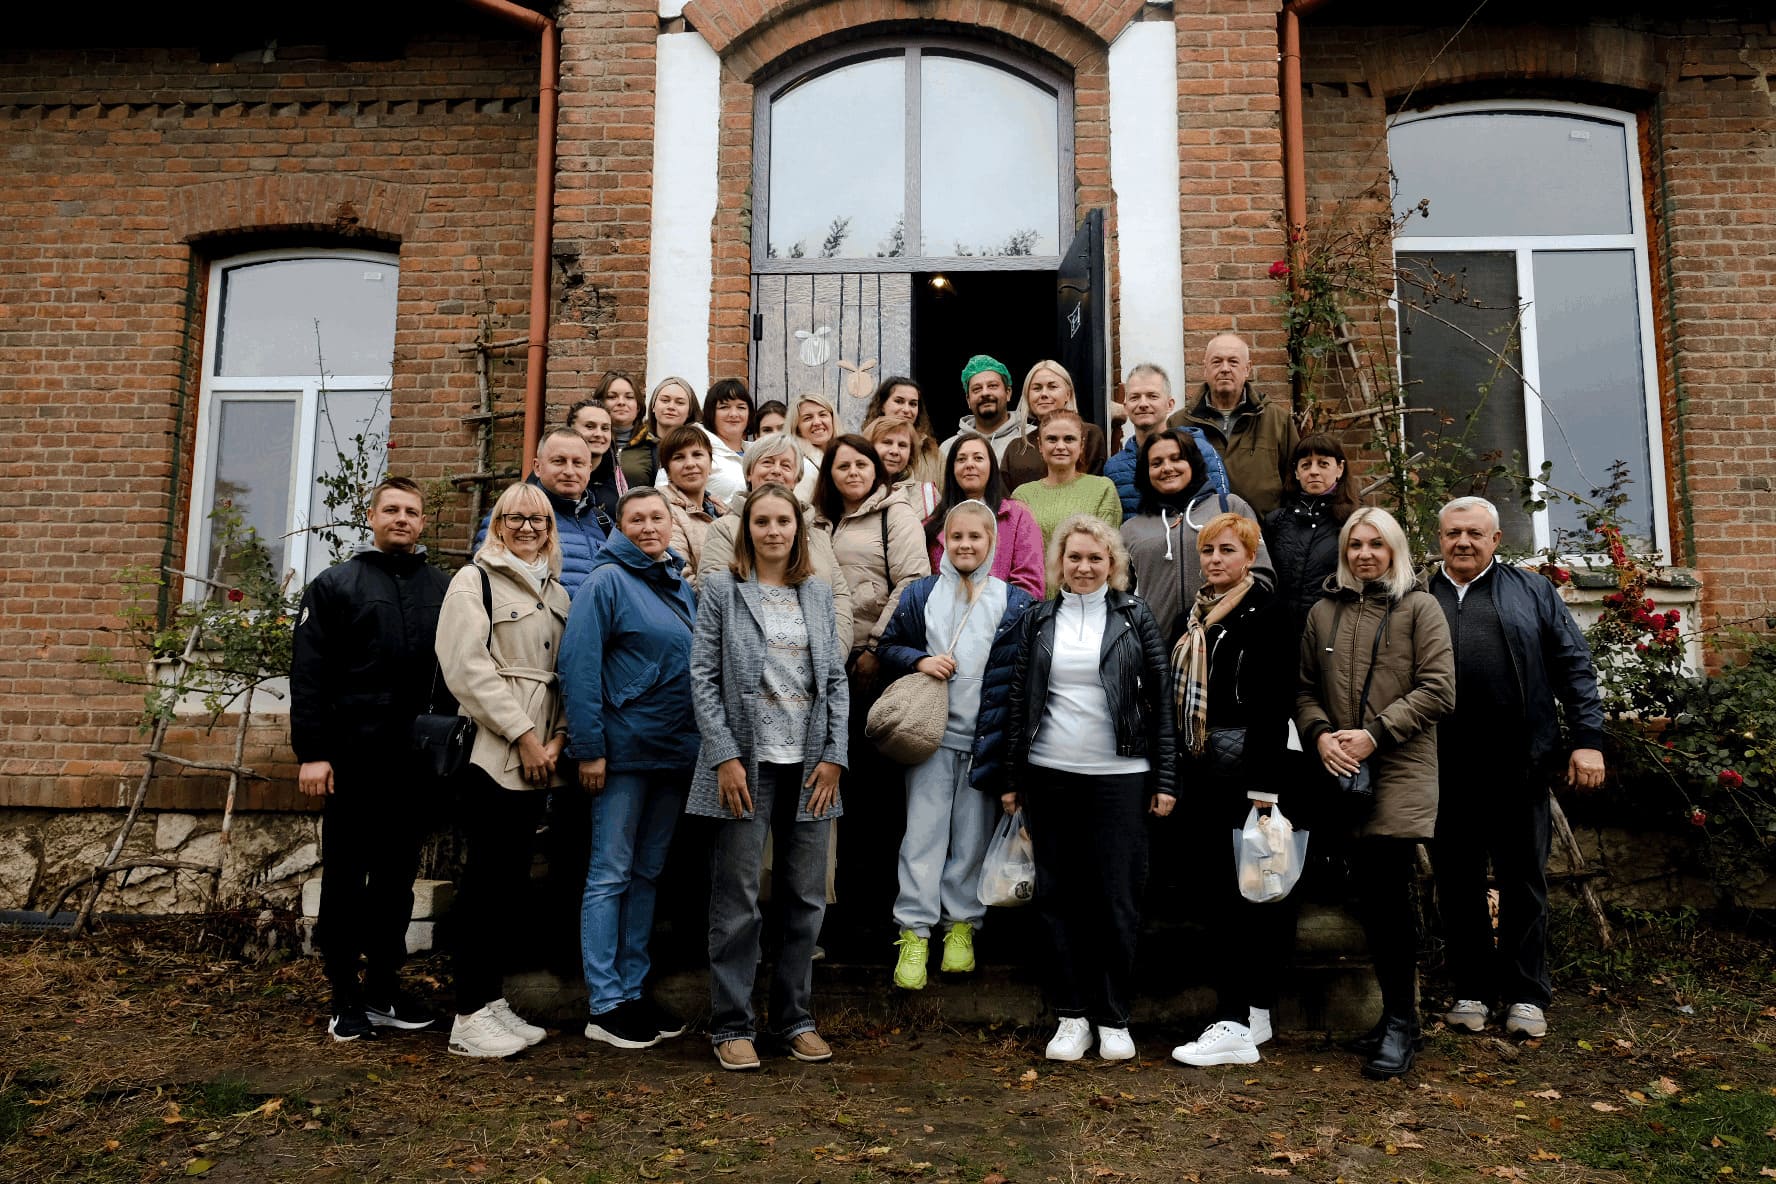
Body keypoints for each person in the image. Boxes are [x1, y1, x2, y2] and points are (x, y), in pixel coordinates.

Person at [1427, 496, 1606, 1041]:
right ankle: (1471, 991)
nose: (1464, 542)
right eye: (1454, 532)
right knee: (1456, 883)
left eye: (1475, 533)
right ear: (1439, 539)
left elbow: (1574, 665)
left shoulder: (1533, 591)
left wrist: (1588, 741)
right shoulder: (1417, 595)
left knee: (1523, 881)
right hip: (1441, 768)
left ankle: (1527, 995)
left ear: (1496, 540)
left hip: (1519, 764)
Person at [689, 484, 849, 1071]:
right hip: (746, 767)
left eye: (784, 521)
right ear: (746, 528)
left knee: (805, 899)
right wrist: (724, 755)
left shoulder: (816, 592)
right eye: (762, 521)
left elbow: (835, 680)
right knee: (737, 900)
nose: (774, 531)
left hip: (811, 767)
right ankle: (732, 1024)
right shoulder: (724, 592)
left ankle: (794, 1019)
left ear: (798, 530)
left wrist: (835, 755)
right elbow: (703, 677)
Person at [1004, 514, 1176, 1062]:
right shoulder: (1038, 619)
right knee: (1058, 897)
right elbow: (1017, 702)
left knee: (1116, 899)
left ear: (1113, 565)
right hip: (1050, 773)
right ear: (1060, 563)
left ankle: (1114, 1016)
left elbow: (1162, 705)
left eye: (1095, 559)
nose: (1083, 567)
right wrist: (1012, 778)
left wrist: (1165, 778)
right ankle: (1072, 1015)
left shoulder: (1135, 617)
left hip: (1120, 778)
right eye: (1074, 558)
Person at [1297, 507, 1455, 1080]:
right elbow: (1306, 690)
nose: (1365, 554)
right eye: (1355, 545)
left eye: (1376, 545)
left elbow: (1439, 691)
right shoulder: (1323, 612)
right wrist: (1320, 738)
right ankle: (1394, 1015)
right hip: (1340, 771)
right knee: (1368, 897)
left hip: (1398, 769)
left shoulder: (1421, 608)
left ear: (1394, 551)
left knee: (1389, 900)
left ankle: (1402, 1024)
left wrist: (1373, 734)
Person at [291, 476, 450, 1042]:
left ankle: (384, 986)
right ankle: (344, 993)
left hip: (411, 763)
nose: (402, 518)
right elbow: (308, 677)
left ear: (423, 522)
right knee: (346, 878)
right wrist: (313, 754)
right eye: (392, 510)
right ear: (372, 517)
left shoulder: (443, 587)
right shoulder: (335, 585)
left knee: (396, 880)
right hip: (352, 758)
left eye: (412, 511)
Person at [560, 487, 700, 1051]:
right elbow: (579, 666)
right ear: (620, 526)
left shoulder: (678, 585)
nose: (648, 526)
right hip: (621, 754)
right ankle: (606, 1002)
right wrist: (589, 748)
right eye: (636, 518)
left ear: (671, 523)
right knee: (610, 873)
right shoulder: (605, 582)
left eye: (657, 517)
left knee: (646, 874)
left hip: (672, 751)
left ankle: (634, 989)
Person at [876, 501, 1037, 990]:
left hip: (984, 741)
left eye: (977, 537)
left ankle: (962, 926)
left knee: (970, 840)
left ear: (993, 543)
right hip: (931, 738)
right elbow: (887, 646)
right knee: (922, 836)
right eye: (957, 536)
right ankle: (915, 931)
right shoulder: (921, 593)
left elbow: (1023, 678)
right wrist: (920, 660)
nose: (966, 545)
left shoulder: (1014, 603)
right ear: (943, 541)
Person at [434, 482, 570, 1058]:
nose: (528, 527)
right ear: (497, 523)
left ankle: (490, 1001)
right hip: (494, 753)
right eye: (515, 518)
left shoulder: (558, 594)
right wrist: (524, 735)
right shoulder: (475, 581)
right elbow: (467, 669)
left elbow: (566, 672)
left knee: (512, 881)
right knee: (484, 882)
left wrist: (559, 736)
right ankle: (466, 1015)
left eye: (538, 519)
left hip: (542, 757)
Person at [1166, 513, 1299, 1067]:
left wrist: (1264, 790)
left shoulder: (1269, 613)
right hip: (1204, 770)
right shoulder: (1193, 615)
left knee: (1253, 894)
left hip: (1249, 773)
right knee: (1222, 893)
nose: (1215, 560)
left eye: (1226, 550)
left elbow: (1274, 701)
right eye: (1207, 551)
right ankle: (1253, 1018)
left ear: (1249, 557)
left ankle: (1237, 1023)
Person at [700, 434, 855, 653]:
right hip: (753, 661)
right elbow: (716, 600)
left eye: (786, 465)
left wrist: (832, 654)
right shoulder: (725, 529)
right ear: (749, 472)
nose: (776, 470)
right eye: (767, 462)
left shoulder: (819, 535)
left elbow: (839, 598)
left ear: (796, 478)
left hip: (820, 659)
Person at [1121, 429, 1274, 645]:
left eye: (1177, 459)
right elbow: (1120, 596)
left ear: (1193, 463)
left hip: (1226, 643)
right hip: (1156, 650)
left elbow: (1262, 574)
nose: (1167, 468)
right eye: (1156, 463)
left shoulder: (1229, 507)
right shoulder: (1131, 529)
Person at [810, 434, 930, 675]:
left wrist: (876, 648)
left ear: (876, 470)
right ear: (830, 475)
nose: (853, 472)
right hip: (821, 650)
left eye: (861, 464)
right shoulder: (816, 521)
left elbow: (912, 581)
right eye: (843, 466)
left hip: (871, 653)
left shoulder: (896, 514)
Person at [1168, 333, 1300, 517]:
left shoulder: (1277, 421)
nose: (1225, 369)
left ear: (1247, 369)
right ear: (1205, 369)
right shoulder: (1179, 423)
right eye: (1216, 362)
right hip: (1200, 535)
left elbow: (1294, 482)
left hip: (1264, 536)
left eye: (1233, 362)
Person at [474, 428, 606, 599]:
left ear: (589, 469)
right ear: (537, 467)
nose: (569, 471)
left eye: (578, 463)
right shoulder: (510, 517)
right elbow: (486, 583)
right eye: (559, 461)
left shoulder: (604, 523)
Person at [1009, 411, 1121, 593]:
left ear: (1082, 445)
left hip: (1085, 599)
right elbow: (1020, 560)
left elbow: (1104, 554)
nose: (1060, 446)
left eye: (1069, 439)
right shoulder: (1022, 495)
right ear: (1040, 445)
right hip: (1034, 604)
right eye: (1052, 439)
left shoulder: (1102, 489)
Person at [926, 432, 1045, 599]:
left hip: (1004, 621)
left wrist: (996, 618)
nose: (969, 465)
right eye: (961, 459)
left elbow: (1029, 584)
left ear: (992, 466)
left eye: (978, 458)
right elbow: (925, 586)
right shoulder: (932, 525)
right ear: (951, 469)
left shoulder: (1018, 516)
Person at [1104, 363, 1231, 517]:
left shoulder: (1199, 449)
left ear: (1169, 405)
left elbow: (1222, 509)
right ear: (1126, 407)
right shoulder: (1115, 467)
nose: (1143, 404)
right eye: (1135, 397)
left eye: (1152, 396)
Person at [1264, 433, 1360, 634]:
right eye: (1306, 465)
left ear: (1339, 469)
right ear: (1297, 472)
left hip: (1335, 632)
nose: (1314, 472)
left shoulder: (1355, 522)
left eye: (1323, 464)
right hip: (1282, 634)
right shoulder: (1277, 521)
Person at [999, 360, 1109, 489]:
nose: (1044, 394)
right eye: (1037, 388)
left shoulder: (1090, 435)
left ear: (1068, 394)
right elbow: (1006, 501)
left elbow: (1095, 490)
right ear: (1028, 397)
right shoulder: (1016, 448)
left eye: (1052, 387)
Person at [656, 425, 728, 589]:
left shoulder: (723, 511)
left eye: (697, 455)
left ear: (710, 464)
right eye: (679, 457)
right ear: (667, 471)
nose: (690, 464)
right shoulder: (662, 510)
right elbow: (681, 576)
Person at [939, 355, 1024, 461]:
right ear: (968, 400)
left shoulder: (1031, 438)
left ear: (1008, 393)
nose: (985, 393)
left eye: (992, 386)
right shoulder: (948, 449)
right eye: (977, 389)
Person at [864, 375, 943, 484]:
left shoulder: (934, 455)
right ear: (882, 405)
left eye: (913, 404)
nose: (906, 409)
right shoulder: (862, 446)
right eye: (899, 401)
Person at [863, 413, 941, 522]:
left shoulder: (928, 495)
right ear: (868, 447)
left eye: (902, 445)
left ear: (911, 453)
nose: (895, 451)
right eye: (887, 442)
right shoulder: (854, 491)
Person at [566, 398, 628, 532]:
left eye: (605, 428)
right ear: (570, 429)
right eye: (590, 426)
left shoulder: (621, 483)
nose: (599, 434)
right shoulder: (551, 473)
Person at [595, 370, 657, 489]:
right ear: (600, 403)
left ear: (638, 406)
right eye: (612, 397)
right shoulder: (588, 442)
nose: (621, 402)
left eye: (629, 397)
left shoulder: (653, 446)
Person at [697, 377, 753, 506]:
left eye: (741, 407)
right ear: (711, 413)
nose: (734, 414)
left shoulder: (758, 452)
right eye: (724, 407)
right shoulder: (696, 449)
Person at [786, 392, 837, 499]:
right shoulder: (806, 468)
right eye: (808, 418)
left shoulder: (836, 458)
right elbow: (799, 511)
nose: (817, 422)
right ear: (797, 428)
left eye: (823, 414)